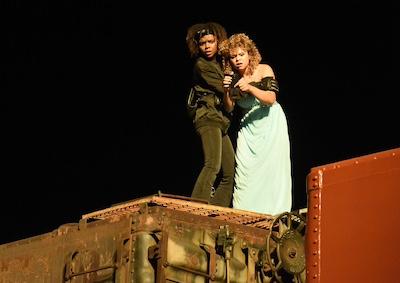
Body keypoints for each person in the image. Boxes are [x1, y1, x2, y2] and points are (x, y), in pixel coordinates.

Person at [220, 33, 292, 215]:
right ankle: (245, 214)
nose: (237, 59)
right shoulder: (233, 77)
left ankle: (275, 215)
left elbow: (271, 98)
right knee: (245, 175)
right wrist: (227, 90)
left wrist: (250, 87)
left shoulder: (264, 69)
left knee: (272, 171)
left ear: (249, 54)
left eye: (241, 54)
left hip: (270, 123)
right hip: (248, 127)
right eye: (233, 56)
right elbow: (229, 108)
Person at [185, 22, 235, 207]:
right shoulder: (201, 65)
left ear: (218, 41)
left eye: (211, 42)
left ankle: (217, 209)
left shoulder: (223, 62)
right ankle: (196, 207)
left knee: (230, 171)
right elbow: (225, 88)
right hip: (207, 117)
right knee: (213, 164)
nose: (206, 46)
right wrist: (255, 87)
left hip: (220, 121)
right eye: (202, 43)